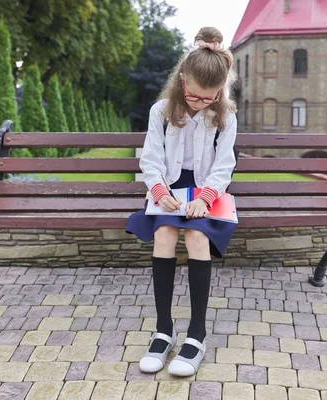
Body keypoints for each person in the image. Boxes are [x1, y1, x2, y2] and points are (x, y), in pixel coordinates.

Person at [125, 26, 238, 376]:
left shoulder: (225, 115)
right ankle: (164, 329)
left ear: (219, 91)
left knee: (196, 237)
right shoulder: (161, 110)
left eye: (209, 98)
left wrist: (205, 198)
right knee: (164, 236)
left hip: (207, 191)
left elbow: (224, 165)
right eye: (194, 96)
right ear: (181, 80)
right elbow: (151, 159)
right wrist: (159, 190)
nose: (201, 103)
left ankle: (197, 334)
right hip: (169, 188)